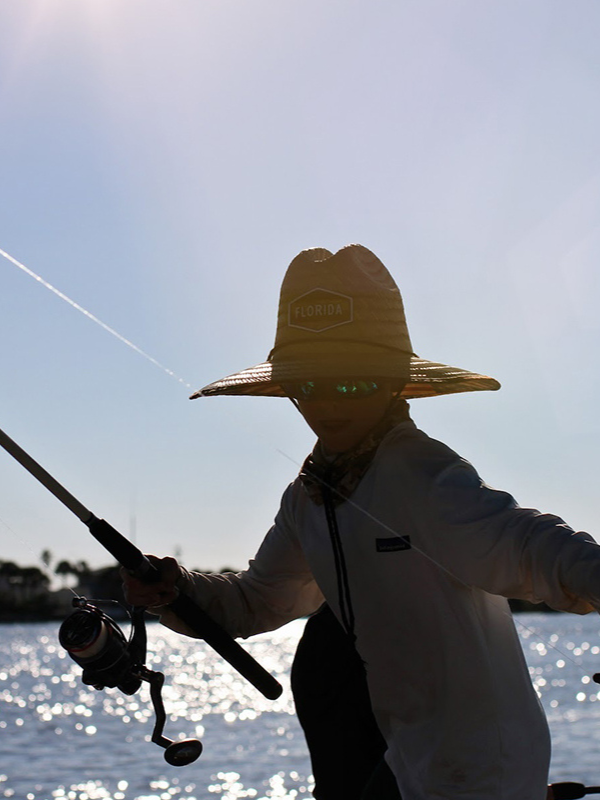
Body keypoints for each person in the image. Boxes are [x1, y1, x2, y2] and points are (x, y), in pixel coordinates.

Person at [123, 244, 600, 800]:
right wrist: (175, 590)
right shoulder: (307, 496)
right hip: (406, 758)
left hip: (478, 770)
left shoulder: (423, 473)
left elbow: (531, 547)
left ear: (393, 383)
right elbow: (261, 601)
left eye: (350, 383)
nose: (327, 403)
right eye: (307, 385)